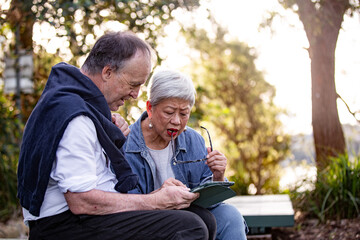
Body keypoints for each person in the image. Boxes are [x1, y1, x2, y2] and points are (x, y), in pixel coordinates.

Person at [17, 31, 216, 240]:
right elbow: (81, 201)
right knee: (189, 227)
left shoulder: (82, 104)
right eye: (133, 84)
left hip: (87, 217)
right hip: (62, 225)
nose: (135, 94)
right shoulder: (75, 117)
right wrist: (156, 200)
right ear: (107, 72)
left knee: (204, 219)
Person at [124, 69, 249, 240]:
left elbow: (212, 202)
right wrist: (158, 198)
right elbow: (124, 206)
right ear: (150, 108)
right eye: (169, 112)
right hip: (148, 222)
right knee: (190, 225)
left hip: (193, 215)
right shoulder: (126, 143)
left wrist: (217, 176)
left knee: (230, 216)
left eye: (184, 114)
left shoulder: (192, 139)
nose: (177, 121)